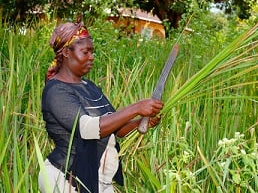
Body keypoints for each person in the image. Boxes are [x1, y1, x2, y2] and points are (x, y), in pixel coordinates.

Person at [38, 16, 164, 193]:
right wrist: (136, 107)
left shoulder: (90, 87)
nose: (92, 57)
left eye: (92, 51)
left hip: (97, 179)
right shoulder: (56, 91)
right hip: (64, 179)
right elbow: (88, 129)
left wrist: (139, 122)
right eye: (86, 52)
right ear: (67, 52)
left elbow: (115, 127)